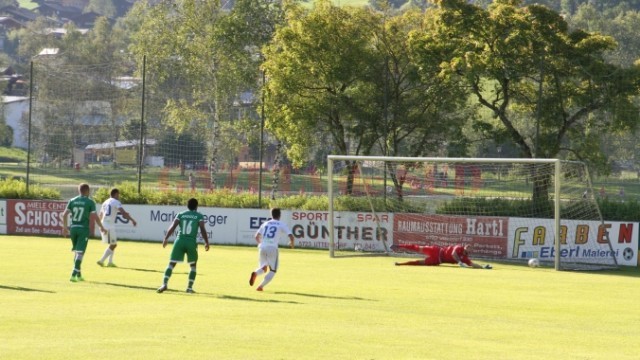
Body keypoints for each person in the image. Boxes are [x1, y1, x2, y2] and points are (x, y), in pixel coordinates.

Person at [157, 198, 210, 294]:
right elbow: (202, 229)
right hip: (191, 243)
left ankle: (164, 284)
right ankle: (189, 288)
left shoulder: (181, 214)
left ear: (187, 206)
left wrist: (166, 239)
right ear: (196, 206)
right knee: (193, 266)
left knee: (171, 264)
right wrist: (206, 242)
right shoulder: (199, 216)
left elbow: (173, 226)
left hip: (179, 241)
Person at [62, 183, 107, 282]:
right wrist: (102, 227)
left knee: (77, 252)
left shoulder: (72, 200)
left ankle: (79, 275)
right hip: (83, 229)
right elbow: (95, 217)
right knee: (80, 252)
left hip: (73, 228)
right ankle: (74, 273)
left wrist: (65, 227)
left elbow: (64, 214)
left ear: (79, 190)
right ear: (87, 191)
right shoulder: (90, 202)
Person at [249, 208, 295, 291]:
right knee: (273, 270)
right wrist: (291, 244)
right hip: (272, 248)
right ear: (280, 215)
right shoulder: (281, 224)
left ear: (271, 215)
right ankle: (260, 286)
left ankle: (255, 273)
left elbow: (256, 236)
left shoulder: (265, 223)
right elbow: (291, 236)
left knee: (263, 268)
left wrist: (261, 244)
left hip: (262, 247)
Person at [96, 188, 138, 267]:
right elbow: (123, 213)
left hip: (105, 224)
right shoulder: (116, 202)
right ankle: (101, 261)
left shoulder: (105, 202)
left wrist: (100, 226)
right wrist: (132, 220)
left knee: (113, 242)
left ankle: (110, 262)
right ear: (115, 194)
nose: (119, 196)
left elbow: (100, 215)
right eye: (118, 194)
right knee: (114, 244)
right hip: (108, 225)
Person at [392, 243, 492, 269]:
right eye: (467, 246)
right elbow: (453, 254)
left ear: (470, 251)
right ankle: (398, 246)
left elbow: (472, 264)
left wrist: (482, 266)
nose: (468, 247)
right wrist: (460, 262)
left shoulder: (465, 258)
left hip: (437, 260)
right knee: (417, 247)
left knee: (419, 263)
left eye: (470, 247)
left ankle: (400, 264)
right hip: (436, 250)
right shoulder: (459, 248)